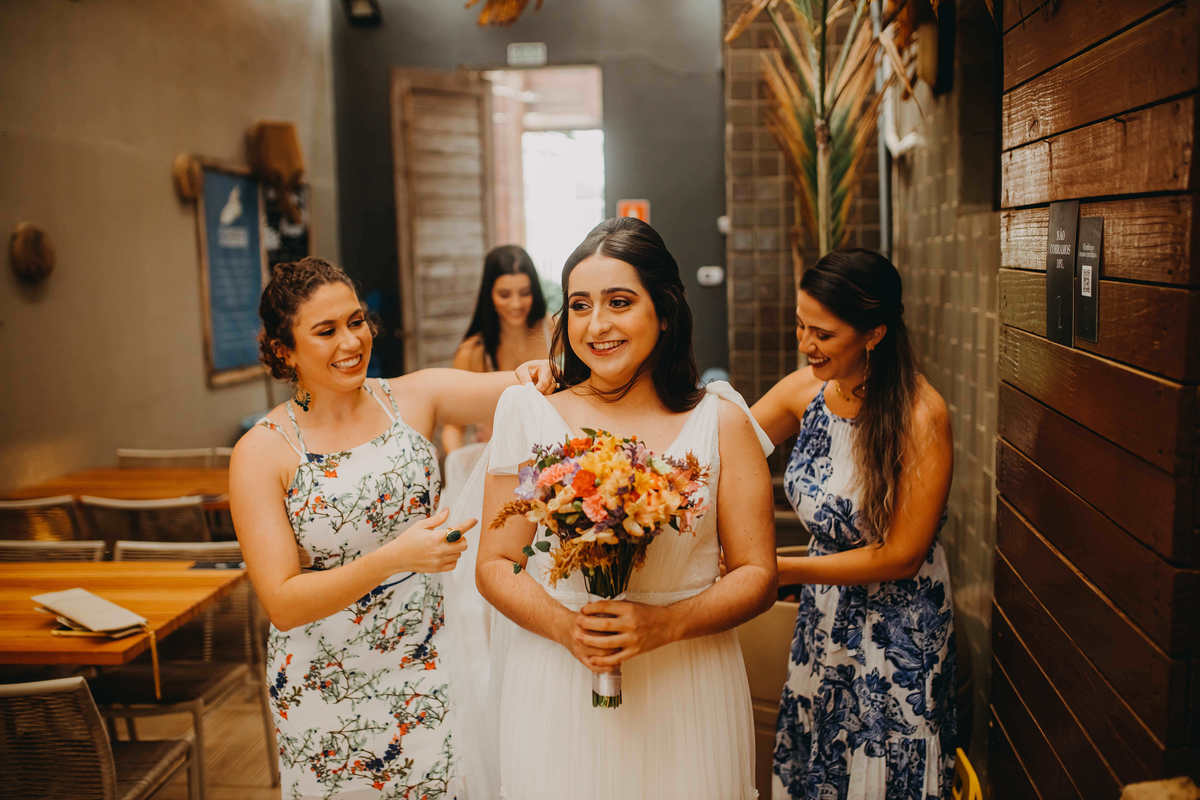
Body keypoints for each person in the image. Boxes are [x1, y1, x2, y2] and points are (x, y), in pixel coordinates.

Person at [472, 218, 778, 800]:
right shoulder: (528, 414)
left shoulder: (720, 422)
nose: (598, 324)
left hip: (687, 678)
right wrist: (566, 628)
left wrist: (666, 624)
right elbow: (495, 562)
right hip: (559, 676)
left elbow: (759, 575)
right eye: (580, 305)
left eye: (620, 302)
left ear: (664, 312)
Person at [229, 256, 552, 800]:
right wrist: (396, 558)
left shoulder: (413, 397)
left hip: (429, 668)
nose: (351, 342)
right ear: (284, 349)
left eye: (356, 322)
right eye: (326, 331)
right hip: (323, 690)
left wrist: (534, 374)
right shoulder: (262, 452)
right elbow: (282, 601)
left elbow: (529, 387)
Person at [750, 249, 957, 799]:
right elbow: (725, 449)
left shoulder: (920, 416)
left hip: (898, 628)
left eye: (822, 333)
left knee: (882, 768)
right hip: (825, 615)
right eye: (800, 325)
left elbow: (901, 555)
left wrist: (783, 570)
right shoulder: (804, 393)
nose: (804, 343)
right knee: (821, 755)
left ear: (874, 333)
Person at [440, 245, 550, 504]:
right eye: (504, 294)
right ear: (489, 294)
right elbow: (453, 426)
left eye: (525, 293)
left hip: (550, 459)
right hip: (496, 467)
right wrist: (462, 469)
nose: (516, 304)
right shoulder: (474, 351)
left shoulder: (551, 330)